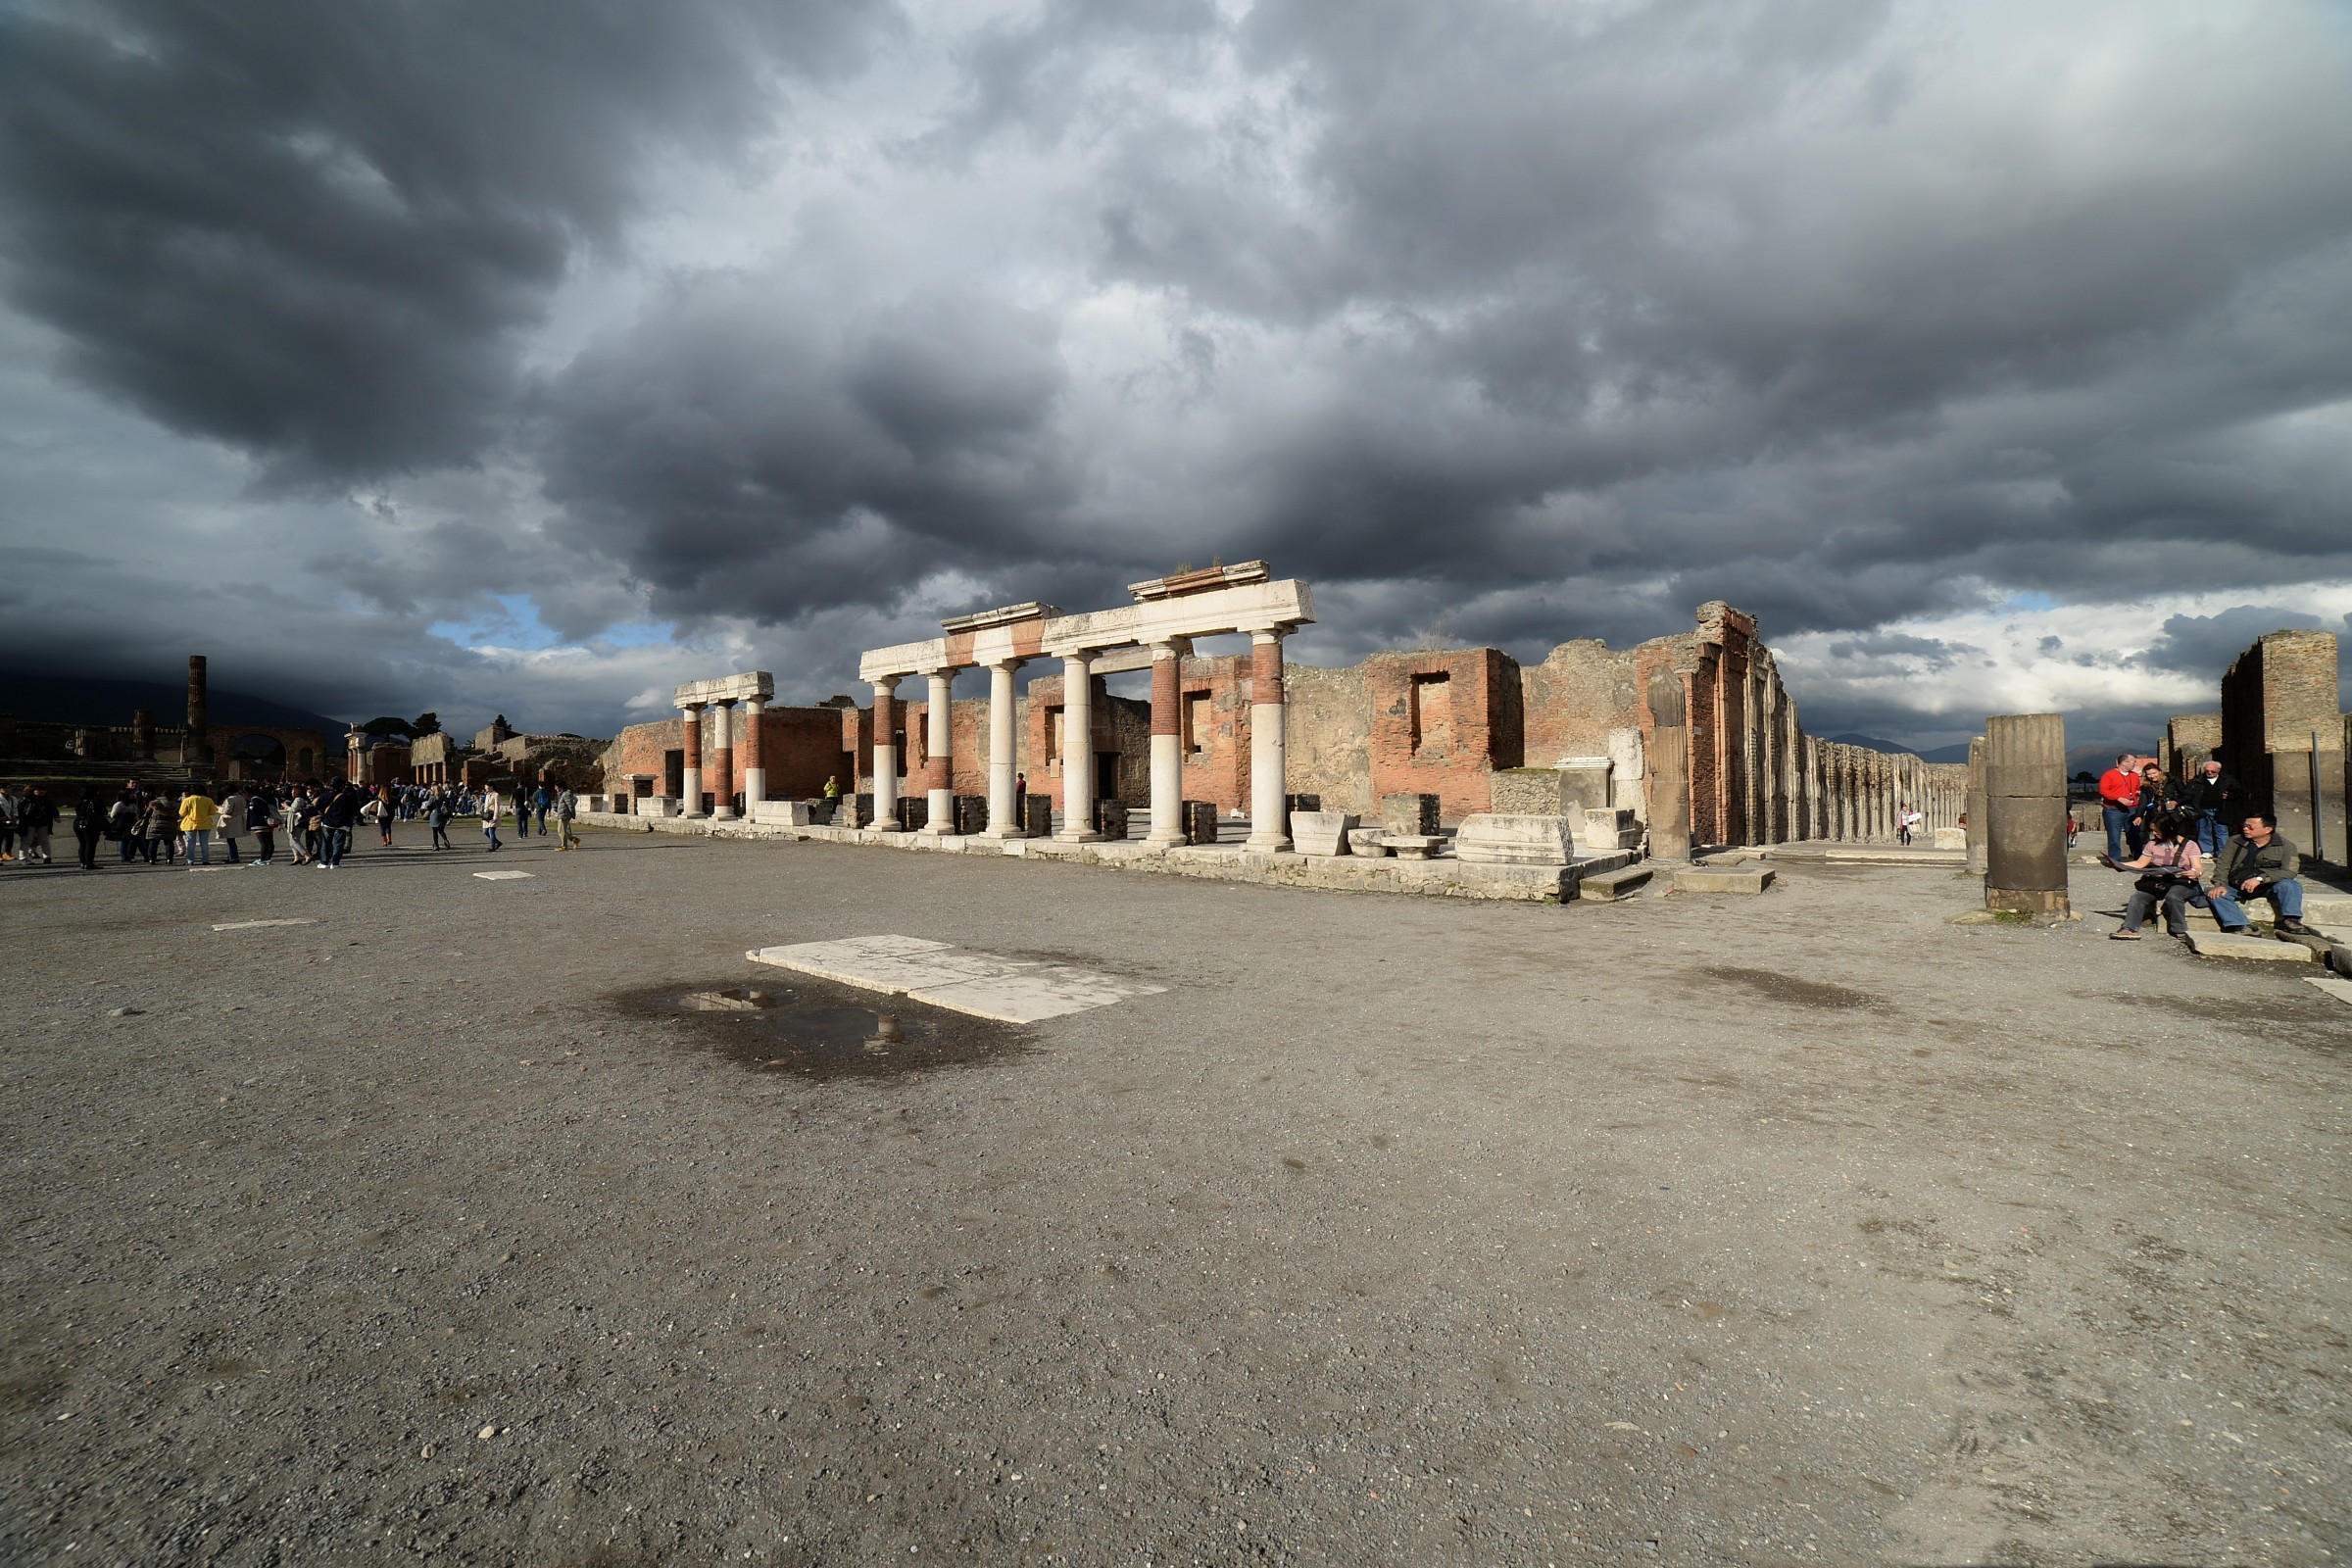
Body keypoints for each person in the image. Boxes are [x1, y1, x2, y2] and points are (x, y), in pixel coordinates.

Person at [2204, 813, 2313, 935]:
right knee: (2215, 895)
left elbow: (2290, 872)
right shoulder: (2235, 841)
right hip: (2237, 884)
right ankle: (2241, 925)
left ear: (2268, 829)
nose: (2245, 829)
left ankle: (2292, 920)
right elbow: (2223, 865)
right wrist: (2220, 884)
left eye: (2251, 827)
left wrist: (2260, 879)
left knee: (2291, 885)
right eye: (2244, 825)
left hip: (2268, 885)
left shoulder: (2286, 846)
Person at [2104, 812, 2202, 940]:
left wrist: (2195, 872)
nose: (2154, 834)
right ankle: (2130, 928)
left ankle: (2180, 930)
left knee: (2173, 896)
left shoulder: (2190, 845)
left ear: (2169, 829)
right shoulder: (2152, 844)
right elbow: (2140, 863)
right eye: (2153, 831)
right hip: (2160, 881)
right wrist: (2119, 865)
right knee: (2137, 897)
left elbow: (2198, 867)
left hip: (2182, 881)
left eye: (2157, 831)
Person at [2180, 759, 2242, 860]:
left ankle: (2222, 852)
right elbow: (2189, 793)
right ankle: (2206, 851)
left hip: (2221, 809)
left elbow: (2239, 791)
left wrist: (2230, 795)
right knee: (2203, 830)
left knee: (2222, 830)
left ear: (2218, 770)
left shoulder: (2227, 780)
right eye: (2207, 771)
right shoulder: (2197, 780)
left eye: (2212, 771)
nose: (2209, 773)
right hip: (2202, 809)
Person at [2097, 753, 2142, 861]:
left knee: (2134, 835)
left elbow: (2137, 788)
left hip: (2132, 809)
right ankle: (2115, 860)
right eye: (2133, 762)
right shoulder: (2108, 775)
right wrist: (2119, 798)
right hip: (2113, 810)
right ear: (2124, 763)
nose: (2135, 764)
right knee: (2114, 836)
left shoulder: (2135, 776)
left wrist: (2138, 793)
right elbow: (2103, 790)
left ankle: (2139, 859)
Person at [179, 786, 219, 866]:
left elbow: (182, 813)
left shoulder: (187, 800)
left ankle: (190, 860)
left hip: (190, 823)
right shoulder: (208, 800)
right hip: (205, 823)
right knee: (204, 843)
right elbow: (213, 812)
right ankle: (205, 860)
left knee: (190, 843)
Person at [18, 786, 57, 864]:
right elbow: (20, 811)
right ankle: (23, 858)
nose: (42, 792)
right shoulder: (24, 800)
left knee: (44, 840)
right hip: (29, 823)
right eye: (39, 790)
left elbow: (52, 809)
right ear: (32, 791)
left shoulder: (46, 800)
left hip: (43, 822)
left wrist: (56, 816)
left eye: (43, 790)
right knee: (27, 840)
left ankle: (47, 857)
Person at [73, 786, 106, 870]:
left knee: (82, 843)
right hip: (90, 823)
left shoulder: (81, 800)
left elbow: (77, 811)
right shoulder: (97, 800)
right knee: (90, 844)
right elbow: (103, 812)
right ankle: (89, 863)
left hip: (78, 822)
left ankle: (82, 862)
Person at [137, 790, 173, 864]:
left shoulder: (154, 803)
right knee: (169, 842)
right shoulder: (175, 803)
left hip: (155, 824)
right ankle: (169, 859)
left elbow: (147, 814)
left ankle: (151, 859)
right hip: (170, 824)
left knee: (153, 842)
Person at [219, 786, 248, 864]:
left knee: (230, 839)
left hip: (231, 820)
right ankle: (231, 856)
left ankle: (233, 856)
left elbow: (227, 811)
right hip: (239, 818)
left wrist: (219, 809)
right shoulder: (241, 798)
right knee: (231, 840)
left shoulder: (230, 799)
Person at [427, 786, 454, 851]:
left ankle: (436, 845)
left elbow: (428, 806)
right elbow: (447, 804)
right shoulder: (444, 797)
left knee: (435, 831)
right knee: (441, 830)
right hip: (442, 814)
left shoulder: (432, 798)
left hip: (435, 814)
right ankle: (446, 840)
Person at [556, 785, 580, 850]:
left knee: (561, 831)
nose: (555, 789)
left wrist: (573, 813)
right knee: (563, 831)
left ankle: (564, 846)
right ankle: (574, 839)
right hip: (561, 814)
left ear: (561, 787)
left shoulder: (566, 794)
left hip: (564, 814)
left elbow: (570, 805)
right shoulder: (561, 794)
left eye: (556, 787)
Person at [0, 781, 19, 862]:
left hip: (10, 820)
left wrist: (14, 816)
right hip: (1, 820)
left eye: (9, 788)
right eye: (5, 788)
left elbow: (15, 808)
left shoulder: (13, 798)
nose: (7, 789)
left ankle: (7, 853)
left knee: (10, 837)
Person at [481, 786, 504, 852]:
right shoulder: (487, 795)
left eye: (486, 786)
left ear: (491, 787)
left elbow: (497, 805)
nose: (485, 788)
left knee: (491, 830)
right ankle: (497, 842)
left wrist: (495, 816)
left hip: (492, 814)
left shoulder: (496, 795)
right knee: (485, 831)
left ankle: (492, 846)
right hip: (486, 815)